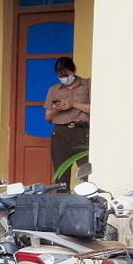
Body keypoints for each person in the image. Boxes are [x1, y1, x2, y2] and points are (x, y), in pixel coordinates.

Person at [43, 56, 91, 184]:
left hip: (82, 132)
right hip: (61, 133)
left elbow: (96, 109)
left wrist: (73, 104)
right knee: (61, 175)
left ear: (74, 70)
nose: (64, 78)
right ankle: (62, 202)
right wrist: (57, 109)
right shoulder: (54, 90)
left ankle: (88, 202)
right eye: (60, 75)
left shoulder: (87, 85)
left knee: (87, 173)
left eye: (66, 74)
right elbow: (48, 118)